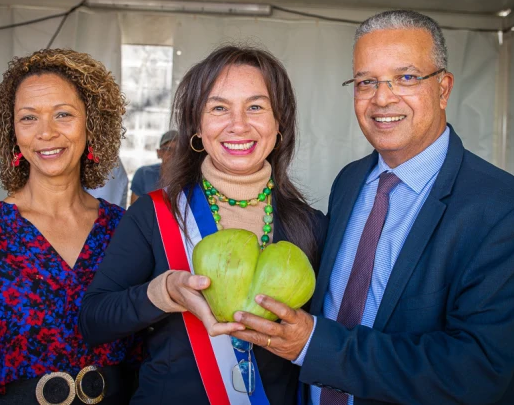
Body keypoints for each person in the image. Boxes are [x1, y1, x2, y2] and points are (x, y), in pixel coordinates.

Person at [229, 10, 514, 404]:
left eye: (406, 78)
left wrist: (315, 345)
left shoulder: (505, 210)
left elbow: (477, 370)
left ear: (444, 89)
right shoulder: (350, 181)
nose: (382, 98)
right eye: (366, 82)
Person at [79, 45, 328, 404]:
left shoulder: (311, 226)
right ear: (196, 126)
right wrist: (163, 292)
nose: (238, 124)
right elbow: (94, 320)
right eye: (218, 108)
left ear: (280, 124)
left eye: (256, 107)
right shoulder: (155, 214)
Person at [0, 48, 141, 404]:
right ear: (12, 131)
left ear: (92, 123)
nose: (46, 132)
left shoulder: (124, 230)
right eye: (29, 118)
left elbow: (150, 354)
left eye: (63, 114)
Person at [128, 130, 177, 205]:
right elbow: (134, 212)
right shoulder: (143, 174)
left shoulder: (189, 178)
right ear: (159, 152)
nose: (173, 154)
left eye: (178, 150)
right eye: (168, 149)